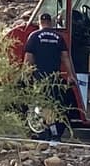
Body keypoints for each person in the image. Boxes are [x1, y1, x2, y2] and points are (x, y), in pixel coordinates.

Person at [24, 12, 76, 140]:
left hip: (39, 78)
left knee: (42, 105)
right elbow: (65, 57)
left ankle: (49, 134)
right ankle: (53, 133)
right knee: (53, 104)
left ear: (39, 22)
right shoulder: (58, 37)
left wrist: (25, 76)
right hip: (54, 78)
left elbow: (28, 59)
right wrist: (70, 75)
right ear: (51, 23)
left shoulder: (34, 36)